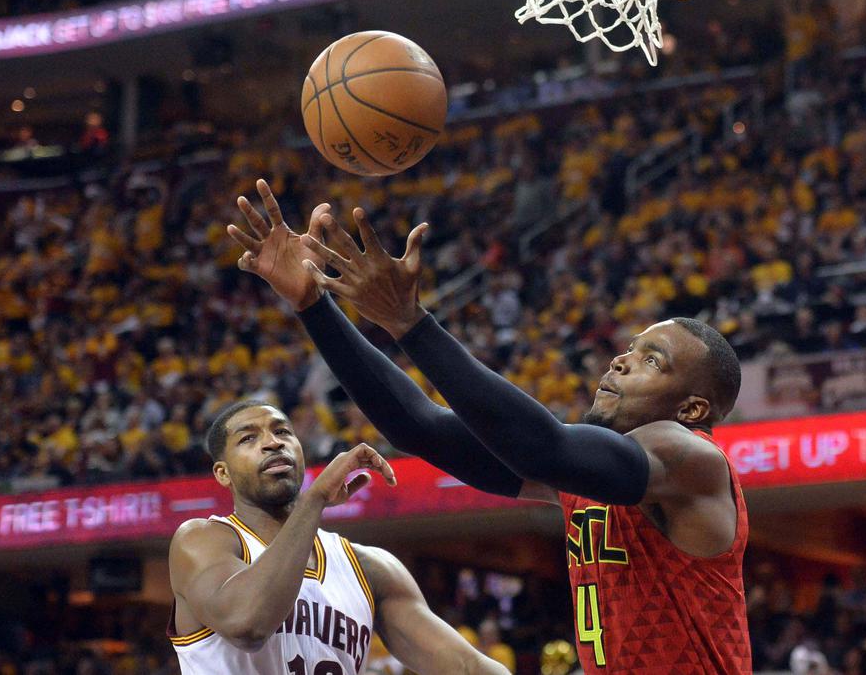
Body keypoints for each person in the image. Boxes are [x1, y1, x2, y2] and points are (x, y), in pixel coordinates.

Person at [227, 182, 751, 673]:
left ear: (692, 410)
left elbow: (544, 448)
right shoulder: (595, 477)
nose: (620, 361)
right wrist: (313, 305)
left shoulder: (692, 460)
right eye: (629, 348)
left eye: (651, 360)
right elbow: (421, 427)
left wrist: (411, 324)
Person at [167, 399, 508, 675]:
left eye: (282, 431)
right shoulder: (203, 540)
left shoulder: (370, 568)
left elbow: (466, 666)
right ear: (222, 473)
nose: (272, 443)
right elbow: (246, 624)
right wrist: (313, 500)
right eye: (248, 438)